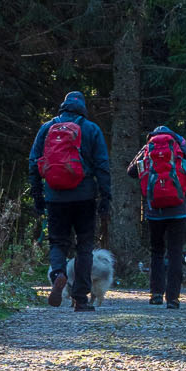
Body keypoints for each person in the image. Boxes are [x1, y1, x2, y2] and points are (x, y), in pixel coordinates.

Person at [29, 90, 111, 311]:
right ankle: (81, 299)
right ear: (83, 107)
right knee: (84, 247)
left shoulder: (47, 128)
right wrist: (105, 198)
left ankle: (58, 274)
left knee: (58, 242)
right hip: (84, 196)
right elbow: (102, 166)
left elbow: (33, 163)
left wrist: (38, 196)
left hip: (55, 196)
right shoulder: (92, 129)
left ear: (63, 107)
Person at [127, 124, 186, 309]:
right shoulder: (178, 144)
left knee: (156, 251)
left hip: (155, 210)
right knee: (175, 252)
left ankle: (155, 294)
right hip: (178, 209)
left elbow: (130, 171)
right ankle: (173, 298)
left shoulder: (148, 147)